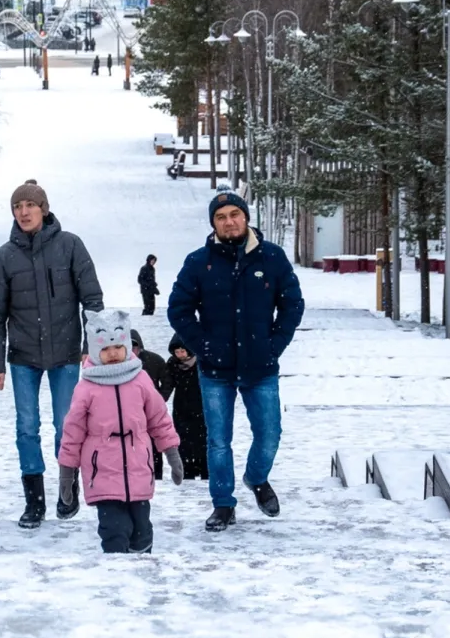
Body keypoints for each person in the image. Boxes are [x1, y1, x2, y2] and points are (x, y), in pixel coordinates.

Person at [167, 191, 305, 532]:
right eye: (221, 217)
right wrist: (204, 346)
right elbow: (178, 309)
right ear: (213, 223)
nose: (229, 222)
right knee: (218, 440)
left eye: (234, 214)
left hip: (261, 367)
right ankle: (223, 504)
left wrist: (274, 346)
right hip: (216, 370)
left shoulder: (271, 258)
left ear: (245, 217)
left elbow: (292, 304)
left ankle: (256, 479)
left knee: (270, 434)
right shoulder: (199, 262)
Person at [0, 179, 104, 529]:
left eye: (30, 205)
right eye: (18, 207)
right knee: (27, 427)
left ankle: (67, 490)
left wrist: (91, 347)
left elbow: (92, 300)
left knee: (66, 426)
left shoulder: (70, 246)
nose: (24, 212)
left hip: (66, 353)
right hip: (23, 357)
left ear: (44, 209)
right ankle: (34, 501)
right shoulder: (4, 256)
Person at [58, 310, 182, 553]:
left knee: (142, 530)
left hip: (138, 469)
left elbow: (159, 419)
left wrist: (171, 453)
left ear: (127, 346)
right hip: (102, 471)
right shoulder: (86, 387)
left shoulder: (141, 379)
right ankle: (117, 577)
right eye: (105, 349)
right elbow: (72, 433)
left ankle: (141, 574)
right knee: (115, 529)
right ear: (95, 351)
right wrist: (67, 472)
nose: (112, 354)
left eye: (117, 347)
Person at [145, 334, 208, 482]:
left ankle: (205, 471)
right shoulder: (173, 364)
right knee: (183, 440)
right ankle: (187, 472)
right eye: (177, 352)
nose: (180, 355)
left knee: (202, 440)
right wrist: (159, 401)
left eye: (182, 351)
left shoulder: (201, 363)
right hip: (181, 407)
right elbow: (168, 384)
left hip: (201, 406)